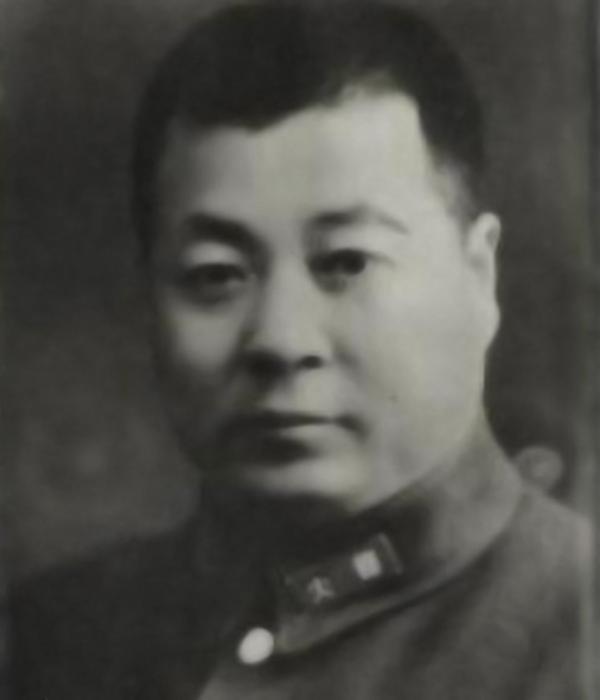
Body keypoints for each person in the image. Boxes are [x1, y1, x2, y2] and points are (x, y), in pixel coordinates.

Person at [11, 2, 592, 698]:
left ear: (479, 276)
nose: (282, 340)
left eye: (348, 262)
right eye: (216, 274)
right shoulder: (44, 641)